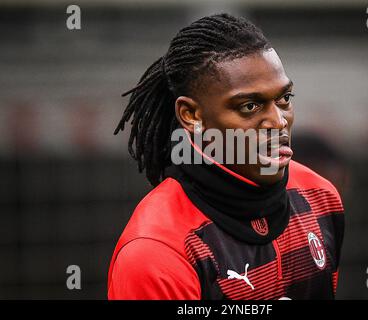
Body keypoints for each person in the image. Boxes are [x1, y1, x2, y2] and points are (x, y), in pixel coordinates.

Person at [108, 13, 344, 300]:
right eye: (249, 106)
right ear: (191, 115)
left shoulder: (319, 196)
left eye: (284, 99)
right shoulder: (155, 252)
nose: (278, 121)